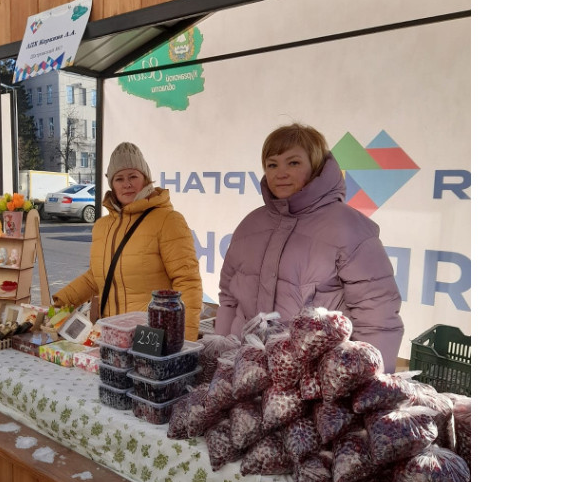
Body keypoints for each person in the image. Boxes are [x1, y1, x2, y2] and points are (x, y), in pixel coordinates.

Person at [214, 123, 404, 372]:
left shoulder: (350, 228)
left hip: (314, 382)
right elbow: (229, 298)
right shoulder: (250, 225)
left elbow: (378, 315)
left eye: (293, 163)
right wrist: (220, 359)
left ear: (315, 168)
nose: (280, 173)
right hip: (246, 374)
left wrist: (367, 384)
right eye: (272, 165)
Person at [52, 142, 203, 341]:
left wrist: (183, 342)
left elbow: (188, 283)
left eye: (133, 176)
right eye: (119, 178)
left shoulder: (168, 220)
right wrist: (61, 301)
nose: (127, 184)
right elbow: (96, 277)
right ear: (112, 185)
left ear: (146, 179)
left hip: (151, 339)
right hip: (112, 338)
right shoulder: (102, 226)